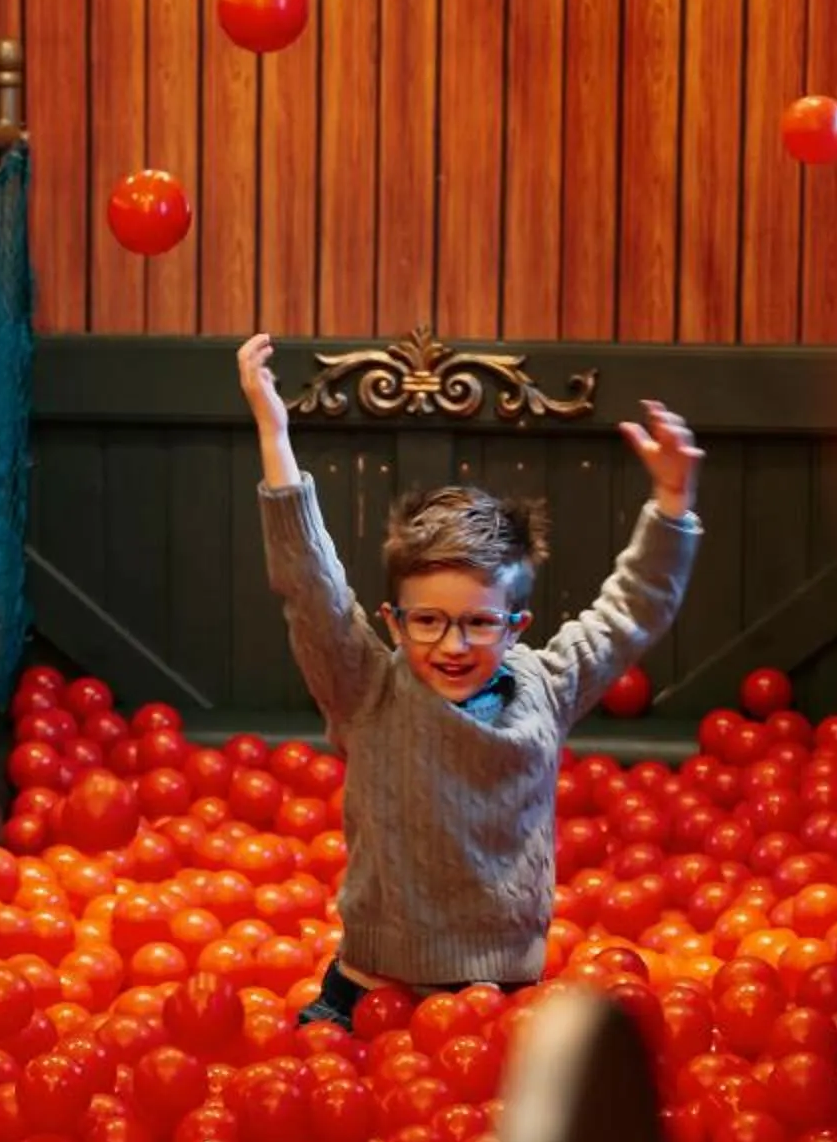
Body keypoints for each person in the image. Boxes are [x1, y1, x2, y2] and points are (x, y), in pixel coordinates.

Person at [236, 331, 703, 1028]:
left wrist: (671, 505)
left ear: (516, 624)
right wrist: (276, 438)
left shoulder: (547, 685)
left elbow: (631, 611)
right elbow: (311, 587)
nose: (452, 645)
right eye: (427, 622)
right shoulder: (367, 688)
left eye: (479, 624)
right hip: (369, 994)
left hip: (498, 1000)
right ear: (393, 622)